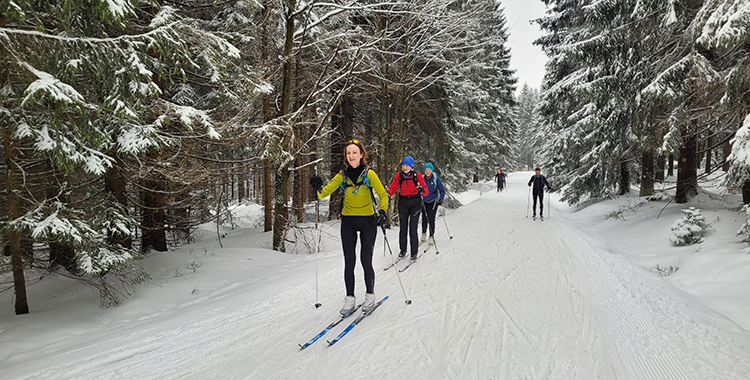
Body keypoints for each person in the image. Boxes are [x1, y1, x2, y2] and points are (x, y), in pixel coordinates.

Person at [309, 140, 389, 315]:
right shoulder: (342, 176)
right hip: (348, 223)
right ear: (346, 156)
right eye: (348, 153)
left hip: (368, 221)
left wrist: (382, 212)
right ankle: (350, 298)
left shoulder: (369, 174)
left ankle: (370, 295)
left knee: (366, 261)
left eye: (354, 152)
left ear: (361, 154)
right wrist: (317, 184)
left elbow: (383, 194)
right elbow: (323, 193)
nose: (351, 156)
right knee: (349, 262)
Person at [387, 156, 428, 261]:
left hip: (415, 203)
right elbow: (393, 186)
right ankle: (403, 250)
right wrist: (387, 193)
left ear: (411, 166)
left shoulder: (417, 175)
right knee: (403, 228)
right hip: (403, 203)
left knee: (412, 229)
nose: (404, 167)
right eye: (403, 165)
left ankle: (414, 252)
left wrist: (422, 189)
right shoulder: (399, 175)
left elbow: (425, 190)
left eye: (406, 165)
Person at [420, 162, 445, 244]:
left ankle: (431, 236)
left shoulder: (436, 179)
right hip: (424, 202)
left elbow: (442, 190)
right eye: (426, 170)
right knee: (424, 219)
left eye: (429, 170)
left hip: (433, 201)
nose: (427, 171)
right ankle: (424, 234)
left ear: (432, 170)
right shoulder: (422, 179)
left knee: (431, 218)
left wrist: (441, 199)